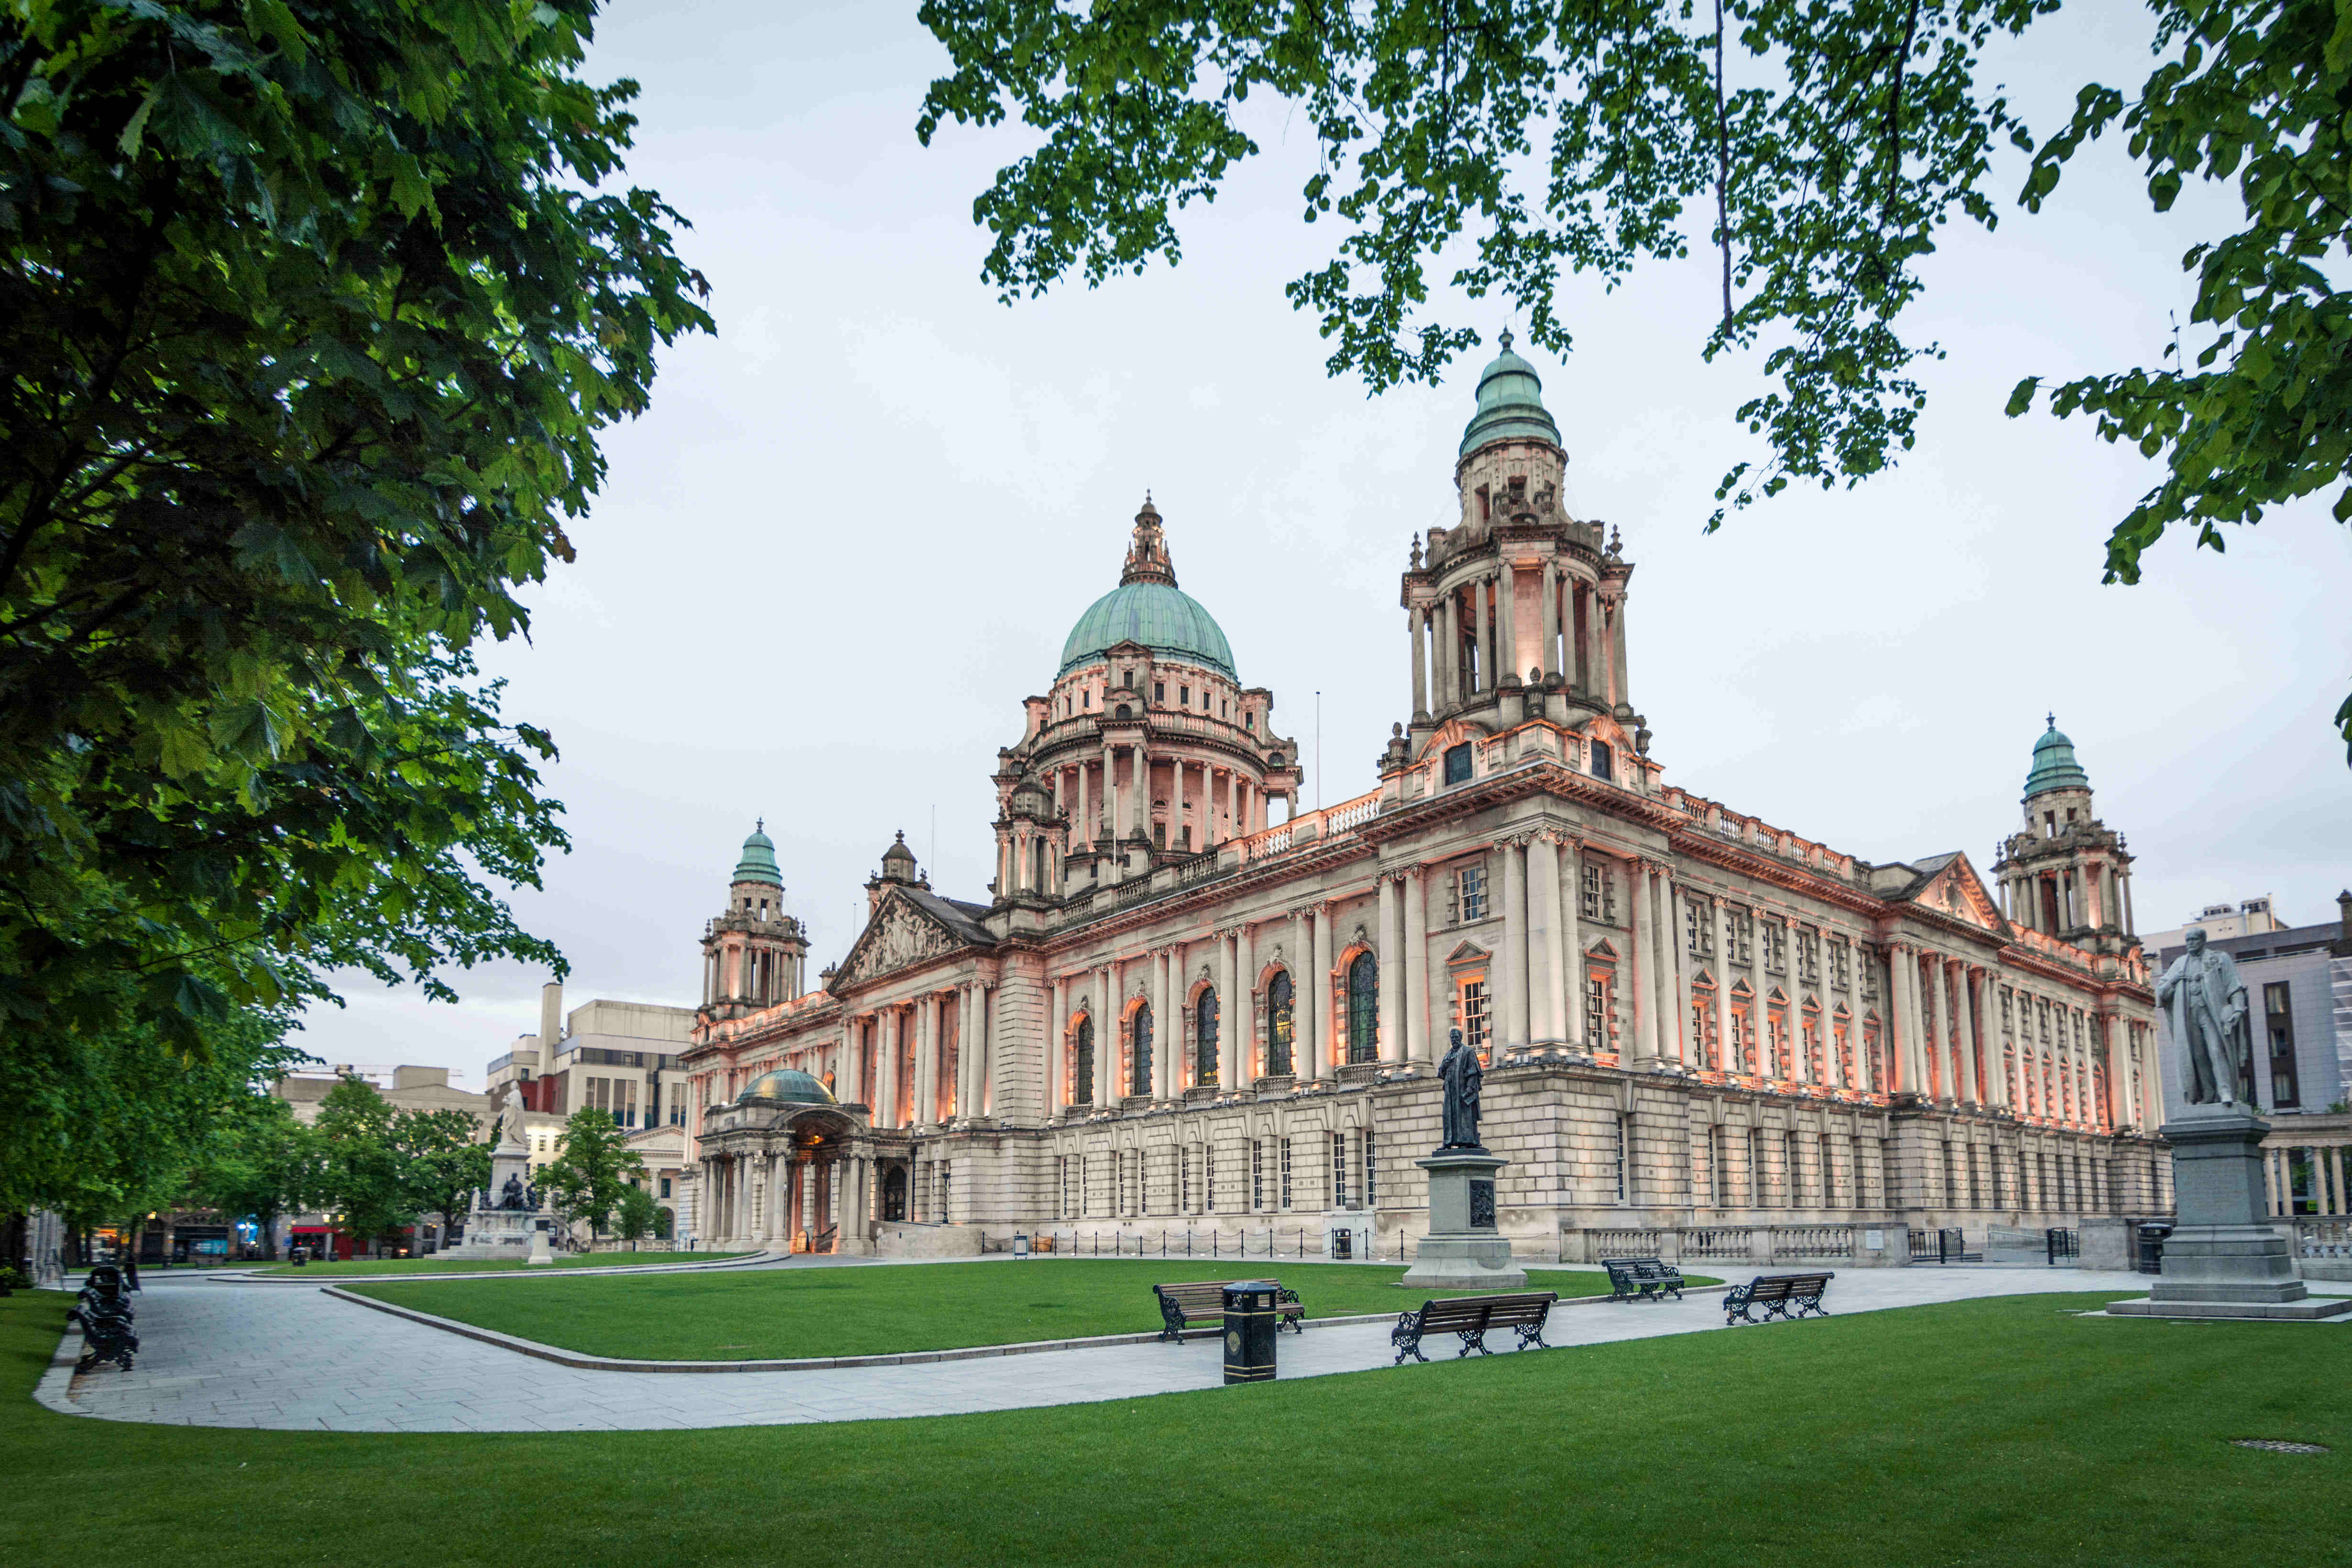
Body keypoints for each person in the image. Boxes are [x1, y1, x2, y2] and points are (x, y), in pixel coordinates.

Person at [2156, 927, 2251, 1107]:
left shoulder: (2219, 958)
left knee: (2216, 1051)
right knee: (2198, 1055)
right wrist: (2174, 980)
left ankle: (2225, 1091)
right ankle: (2208, 1092)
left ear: (2203, 940)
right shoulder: (2179, 963)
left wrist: (2238, 1010)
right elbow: (2162, 994)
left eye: (2194, 939)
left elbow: (2234, 987)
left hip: (2211, 1013)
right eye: (2188, 940)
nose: (2191, 943)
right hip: (2189, 1015)